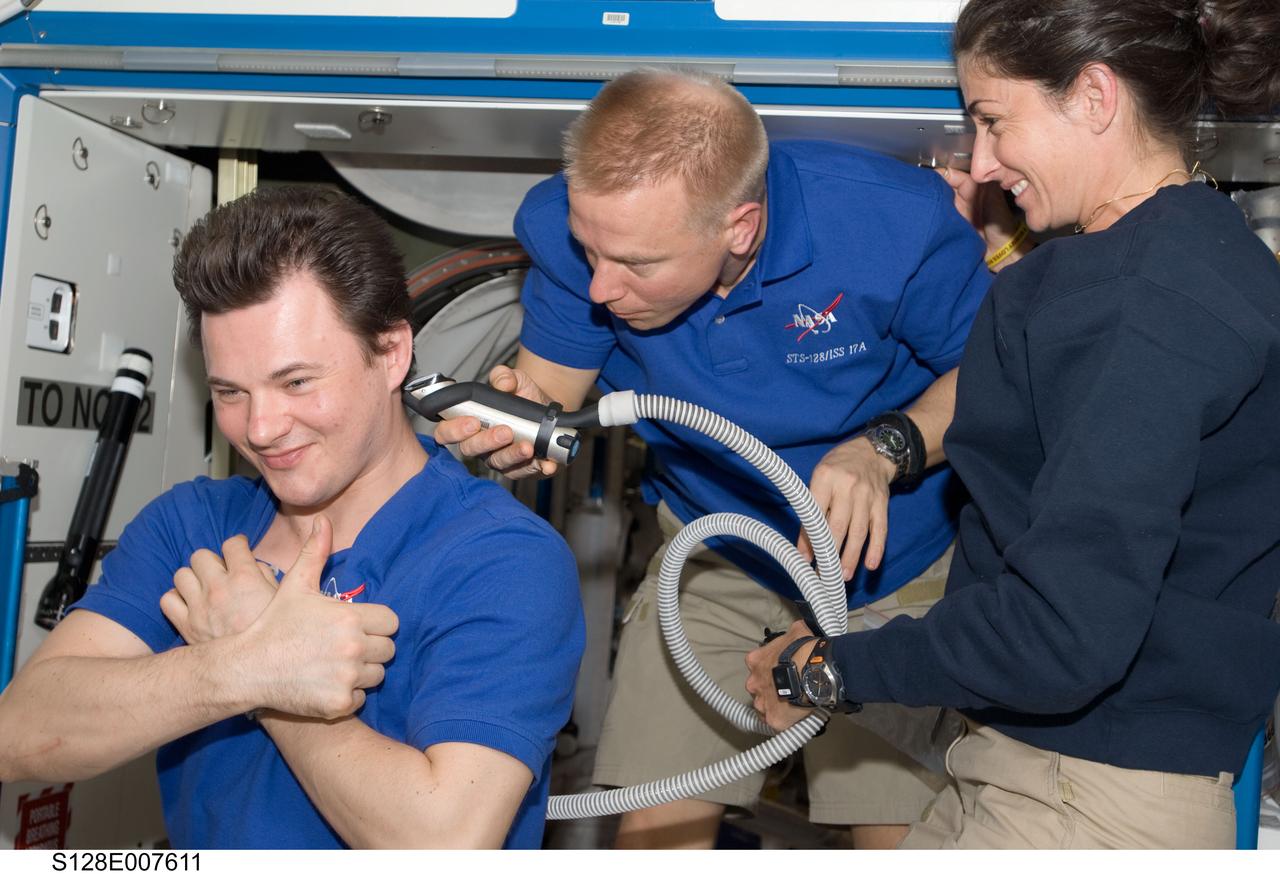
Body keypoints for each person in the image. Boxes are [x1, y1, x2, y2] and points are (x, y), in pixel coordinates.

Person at [747, 0, 1280, 849]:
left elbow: (1064, 632)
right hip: (1020, 766)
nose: (984, 160)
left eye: (994, 121)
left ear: (1095, 97)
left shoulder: (1159, 302)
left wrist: (837, 670)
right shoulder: (1105, 271)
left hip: (1097, 800)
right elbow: (1030, 566)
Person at [434, 68, 992, 848]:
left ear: (740, 227)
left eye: (635, 264)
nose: (600, 288)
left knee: (893, 834)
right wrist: (513, 432)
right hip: (714, 545)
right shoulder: (575, 234)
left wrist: (884, 448)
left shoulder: (889, 224)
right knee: (654, 832)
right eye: (589, 250)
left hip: (887, 557)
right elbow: (546, 392)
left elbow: (999, 376)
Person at [0, 187, 585, 849]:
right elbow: (19, 734)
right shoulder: (192, 526)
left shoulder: (500, 558)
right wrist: (242, 667)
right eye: (230, 392)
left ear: (391, 351)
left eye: (297, 382)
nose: (262, 427)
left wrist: (274, 686)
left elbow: (446, 840)